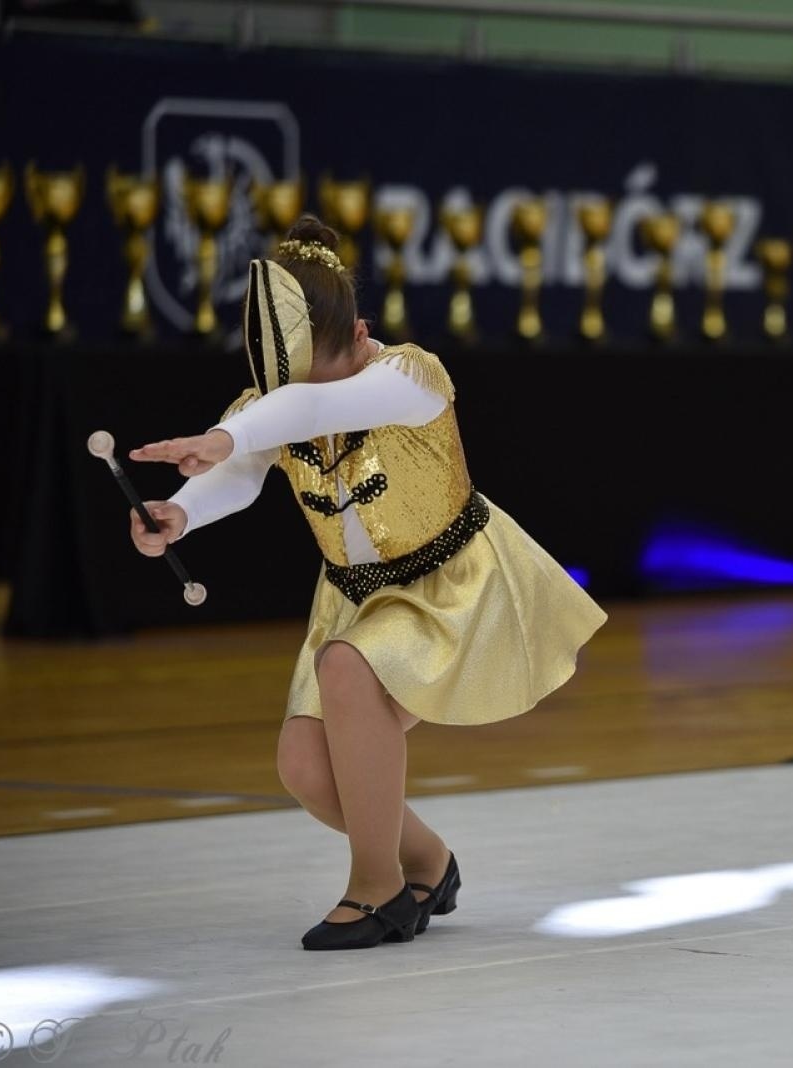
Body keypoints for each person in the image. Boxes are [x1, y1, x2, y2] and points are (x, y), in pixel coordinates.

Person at [130, 215, 607, 950]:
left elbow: (307, 410)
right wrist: (180, 513)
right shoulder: (277, 401)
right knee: (305, 767)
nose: (290, 403)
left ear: (361, 336)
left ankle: (377, 890)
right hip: (353, 597)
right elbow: (243, 469)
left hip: (450, 586)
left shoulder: (409, 377)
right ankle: (427, 863)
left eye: (317, 378)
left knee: (347, 668)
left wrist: (227, 433)